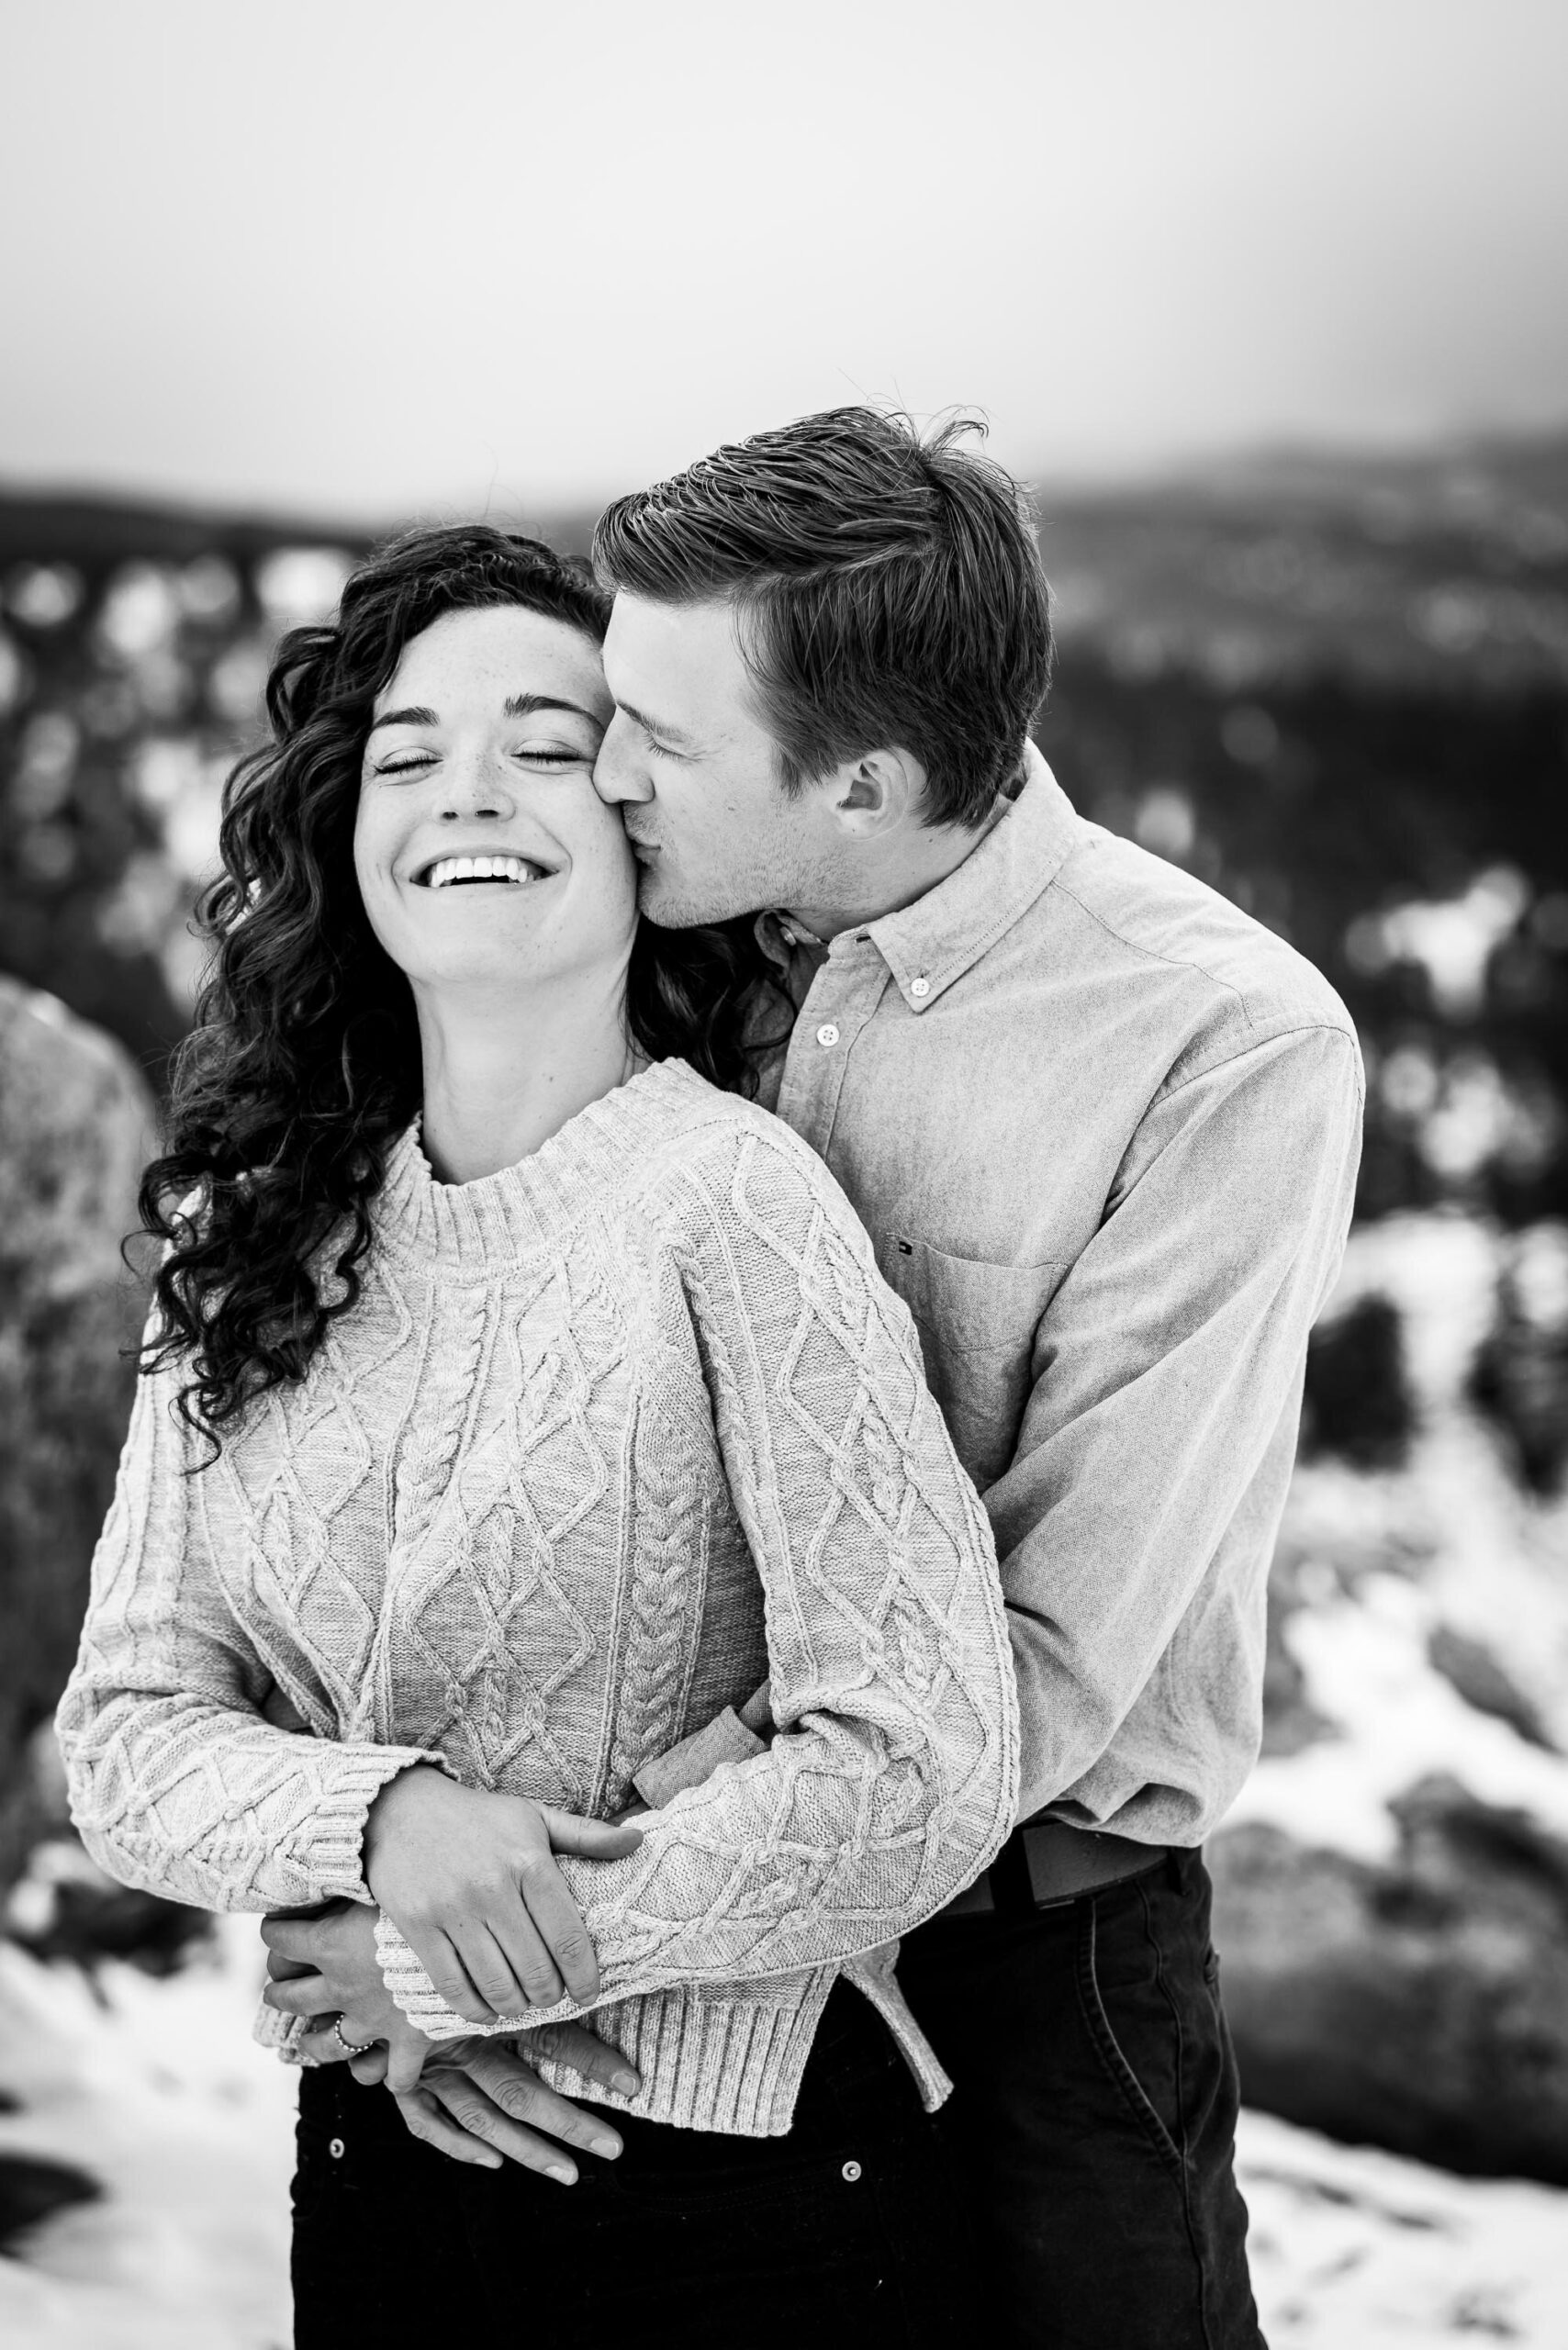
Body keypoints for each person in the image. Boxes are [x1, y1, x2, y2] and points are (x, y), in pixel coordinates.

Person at [408, 407, 1359, 2347]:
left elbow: (1049, 1645)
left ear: (859, 779)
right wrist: (421, 1866)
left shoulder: (1217, 1048)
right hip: (625, 1920)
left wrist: (568, 1902)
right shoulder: (658, 933)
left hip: (1026, 1958)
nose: (601, 776)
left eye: (656, 741)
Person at [55, 523, 1021, 2350]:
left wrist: (454, 1961)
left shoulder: (731, 1202)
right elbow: (123, 1732)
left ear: (641, 820)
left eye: (543, 738)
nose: (463, 792)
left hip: (730, 2204)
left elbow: (919, 1757)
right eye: (407, 752)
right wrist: (385, 1822)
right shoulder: (253, 1230)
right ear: (349, 829)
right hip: (377, 2163)